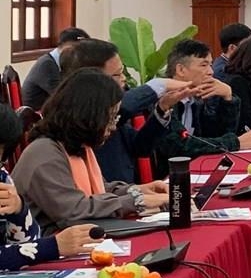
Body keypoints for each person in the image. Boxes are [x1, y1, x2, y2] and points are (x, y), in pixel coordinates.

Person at [13, 69, 169, 234]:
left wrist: (137, 191)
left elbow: (98, 189)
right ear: (89, 116)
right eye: (111, 117)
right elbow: (74, 210)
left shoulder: (75, 145)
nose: (113, 126)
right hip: (48, 240)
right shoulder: (45, 154)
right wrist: (136, 201)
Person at [60, 40, 193, 183]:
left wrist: (162, 108)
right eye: (117, 74)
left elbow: (140, 147)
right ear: (92, 79)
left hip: (126, 191)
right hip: (104, 193)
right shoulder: (77, 114)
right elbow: (125, 106)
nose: (124, 79)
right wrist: (159, 85)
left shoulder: (114, 110)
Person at [0, 105, 99, 269]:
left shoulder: (2, 178)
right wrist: (53, 247)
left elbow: (30, 241)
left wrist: (18, 210)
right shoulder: (43, 152)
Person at [151, 39, 251, 177]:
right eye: (204, 65)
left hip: (193, 169)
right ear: (181, 70)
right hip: (166, 177)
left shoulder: (196, 98)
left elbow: (217, 134)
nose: (211, 72)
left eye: (210, 64)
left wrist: (228, 98)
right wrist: (235, 142)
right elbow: (179, 147)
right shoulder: (163, 100)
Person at [21, 27, 90, 110]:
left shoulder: (59, 61)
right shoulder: (47, 64)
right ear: (68, 47)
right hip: (36, 112)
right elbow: (61, 95)